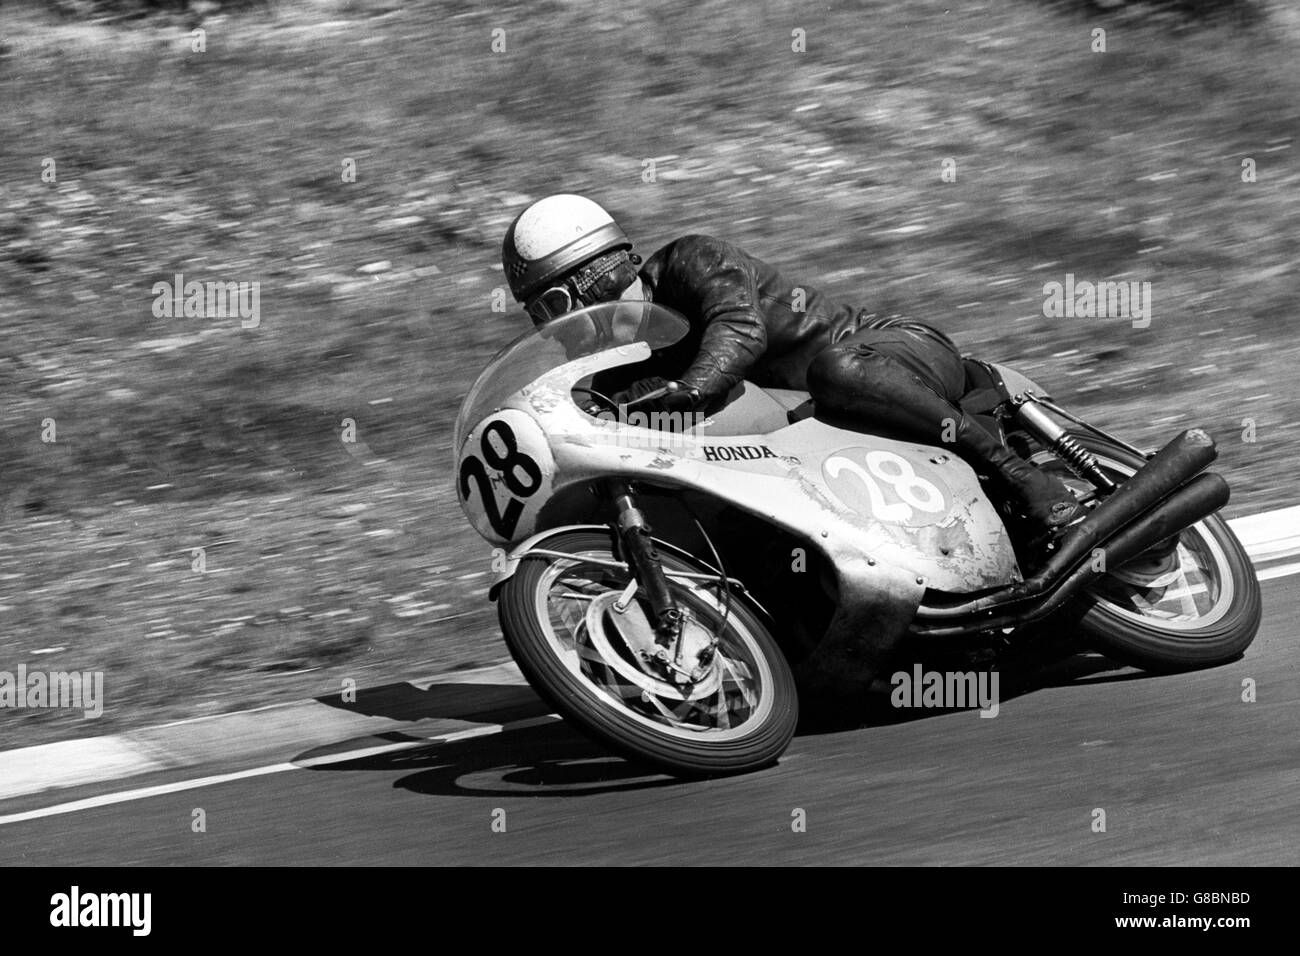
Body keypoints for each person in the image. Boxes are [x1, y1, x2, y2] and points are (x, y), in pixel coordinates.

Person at [500, 193, 1082, 544]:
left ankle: (1023, 477)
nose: (556, 325)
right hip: (823, 439)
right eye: (540, 316)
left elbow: (740, 329)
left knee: (837, 368)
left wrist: (693, 387)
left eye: (555, 304)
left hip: (887, 353)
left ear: (598, 274)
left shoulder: (691, 260)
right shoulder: (617, 371)